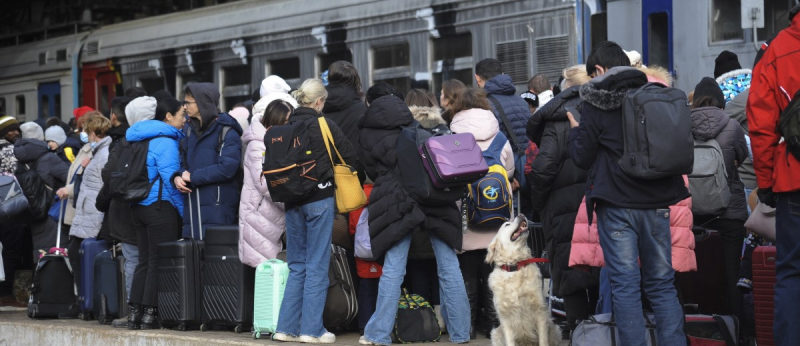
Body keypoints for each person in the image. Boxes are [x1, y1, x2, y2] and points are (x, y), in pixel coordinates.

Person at [567, 41, 688, 345]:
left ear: (599, 70)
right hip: (657, 204)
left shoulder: (597, 102)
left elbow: (581, 157)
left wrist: (575, 131)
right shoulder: (654, 95)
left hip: (617, 206)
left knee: (625, 286)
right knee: (662, 285)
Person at [358, 83, 469, 345]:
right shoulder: (438, 126)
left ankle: (379, 334)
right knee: (449, 266)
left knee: (394, 268)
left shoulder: (396, 130)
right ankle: (461, 332)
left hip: (401, 201)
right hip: (438, 199)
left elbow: (378, 169)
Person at [272, 79, 359, 344]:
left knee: (297, 265)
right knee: (317, 265)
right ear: (320, 102)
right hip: (319, 200)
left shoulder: (286, 126)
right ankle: (312, 329)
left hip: (292, 202)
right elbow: (349, 157)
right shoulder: (324, 124)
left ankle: (285, 328)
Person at [440, 79, 515, 339]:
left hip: (465, 217)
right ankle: (493, 325)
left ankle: (467, 325)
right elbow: (510, 170)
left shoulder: (452, 136)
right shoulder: (500, 136)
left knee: (467, 273)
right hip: (497, 216)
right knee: (493, 272)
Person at [526, 64, 598, 332]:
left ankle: (580, 331)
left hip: (562, 206)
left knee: (571, 271)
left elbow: (543, 168)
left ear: (564, 88)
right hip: (598, 200)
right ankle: (603, 329)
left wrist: (541, 203)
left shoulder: (556, 120)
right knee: (601, 269)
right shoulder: (601, 110)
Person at [746, 6, 800, 346]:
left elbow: (762, 128)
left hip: (793, 182)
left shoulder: (778, 49)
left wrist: (766, 185)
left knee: (791, 273)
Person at [690, 77, 749, 316]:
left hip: (694, 212)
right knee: (732, 272)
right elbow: (742, 156)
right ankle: (735, 329)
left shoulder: (682, 125)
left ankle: (702, 328)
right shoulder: (732, 126)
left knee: (699, 272)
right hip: (729, 211)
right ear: (721, 100)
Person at [126, 96, 186, 329]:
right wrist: (182, 213)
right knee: (157, 261)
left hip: (137, 205)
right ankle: (151, 313)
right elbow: (172, 181)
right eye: (181, 114)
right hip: (160, 206)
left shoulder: (137, 138)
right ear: (168, 116)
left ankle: (135, 312)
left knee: (143, 260)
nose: (184, 119)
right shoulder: (164, 140)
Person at [172, 82, 242, 239]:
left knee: (216, 256)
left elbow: (227, 168)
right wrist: (177, 177)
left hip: (218, 208)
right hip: (193, 207)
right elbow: (183, 164)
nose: (184, 107)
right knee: (194, 257)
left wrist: (193, 177)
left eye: (188, 102)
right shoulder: (188, 131)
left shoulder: (226, 131)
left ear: (202, 103)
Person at [95, 95, 141, 328]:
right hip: (154, 209)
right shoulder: (166, 137)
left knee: (133, 259)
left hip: (125, 210)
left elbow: (109, 174)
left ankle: (134, 310)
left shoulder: (123, 142)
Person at [238, 99, 293, 267]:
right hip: (259, 218)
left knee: (271, 274)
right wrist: (294, 198)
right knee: (267, 276)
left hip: (269, 217)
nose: (289, 126)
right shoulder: (258, 146)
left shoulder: (274, 142)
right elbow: (266, 184)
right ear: (274, 121)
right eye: (286, 122)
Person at [67, 114, 113, 287]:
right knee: (77, 253)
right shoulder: (98, 152)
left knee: (78, 254)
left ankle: (87, 300)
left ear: (93, 132)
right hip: (88, 214)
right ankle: (85, 300)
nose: (85, 135)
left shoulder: (104, 154)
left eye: (87, 131)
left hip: (94, 215)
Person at [13, 131, 69, 262]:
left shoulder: (21, 162)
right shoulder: (49, 158)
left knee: (39, 251)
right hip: (52, 211)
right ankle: (54, 279)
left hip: (32, 211)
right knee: (55, 250)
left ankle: (39, 279)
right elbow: (69, 178)